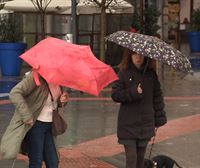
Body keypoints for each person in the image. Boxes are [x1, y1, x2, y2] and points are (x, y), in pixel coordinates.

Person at [0, 71, 69, 168]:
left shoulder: (57, 78)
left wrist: (62, 101)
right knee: (36, 161)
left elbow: (53, 102)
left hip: (50, 125)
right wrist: (26, 115)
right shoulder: (35, 76)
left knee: (53, 161)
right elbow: (15, 93)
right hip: (35, 125)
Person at [111, 49, 167, 168]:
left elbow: (157, 97)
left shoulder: (151, 75)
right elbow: (115, 95)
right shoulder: (123, 73)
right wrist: (133, 92)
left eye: (141, 54)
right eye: (135, 54)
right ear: (129, 56)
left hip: (145, 124)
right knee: (131, 159)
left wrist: (159, 118)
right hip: (128, 125)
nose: (138, 57)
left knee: (140, 161)